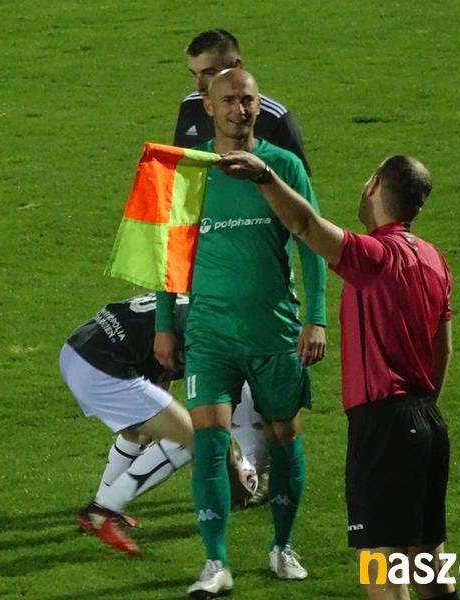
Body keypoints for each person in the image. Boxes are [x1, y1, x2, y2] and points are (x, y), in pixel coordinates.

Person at [217, 152, 456, 599]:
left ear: (375, 186)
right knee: (427, 563)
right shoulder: (434, 259)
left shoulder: (376, 255)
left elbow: (306, 225)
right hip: (427, 421)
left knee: (381, 567)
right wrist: (421, 408)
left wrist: (265, 176)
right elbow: (443, 348)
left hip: (383, 426)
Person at [154, 69, 328, 598]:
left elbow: (311, 241)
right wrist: (164, 326)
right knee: (209, 441)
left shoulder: (283, 167)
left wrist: (316, 317)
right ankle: (215, 562)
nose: (239, 109)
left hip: (274, 328)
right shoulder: (191, 172)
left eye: (248, 100)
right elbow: (170, 254)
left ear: (258, 105)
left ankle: (283, 546)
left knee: (284, 437)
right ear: (207, 106)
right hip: (210, 331)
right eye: (228, 100)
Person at [61, 294, 257, 556]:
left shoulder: (200, 305)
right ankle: (102, 511)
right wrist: (235, 481)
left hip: (77, 350)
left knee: (140, 433)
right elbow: (213, 426)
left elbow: (161, 367)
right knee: (199, 436)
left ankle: (100, 508)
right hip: (101, 367)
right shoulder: (216, 335)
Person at [174, 28, 312, 177]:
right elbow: (179, 170)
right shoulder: (190, 106)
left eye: (209, 73)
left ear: (236, 66)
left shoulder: (275, 118)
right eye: (194, 74)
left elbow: (295, 181)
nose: (199, 86)